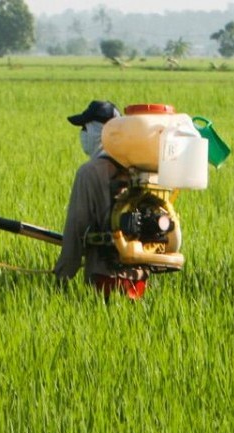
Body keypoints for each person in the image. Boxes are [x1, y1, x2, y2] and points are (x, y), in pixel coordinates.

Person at [53, 99, 150, 300]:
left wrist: (62, 276)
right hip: (140, 278)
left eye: (85, 128)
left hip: (104, 277)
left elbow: (76, 228)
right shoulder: (140, 168)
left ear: (99, 131)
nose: (83, 134)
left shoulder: (89, 172)